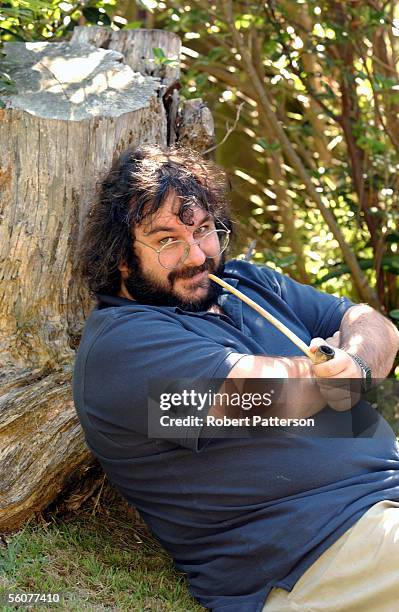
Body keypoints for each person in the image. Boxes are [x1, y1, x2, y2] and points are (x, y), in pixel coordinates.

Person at [73, 145, 399, 612]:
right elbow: (262, 398)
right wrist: (332, 374)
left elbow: (374, 324)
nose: (195, 255)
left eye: (203, 230)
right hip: (320, 554)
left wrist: (358, 362)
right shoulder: (120, 350)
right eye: (166, 240)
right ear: (122, 256)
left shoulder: (251, 283)